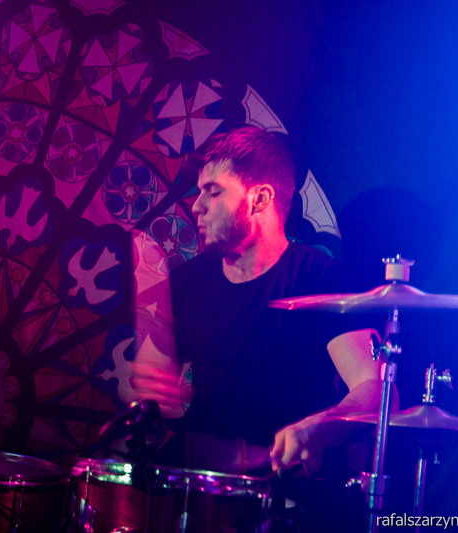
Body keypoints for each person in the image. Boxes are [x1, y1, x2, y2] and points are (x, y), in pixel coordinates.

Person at [133, 126, 390, 528]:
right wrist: (152, 391)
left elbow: (375, 390)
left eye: (213, 192)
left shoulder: (320, 279)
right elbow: (151, 394)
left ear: (260, 198)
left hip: (288, 495)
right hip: (199, 491)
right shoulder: (187, 282)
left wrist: (319, 428)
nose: (196, 206)